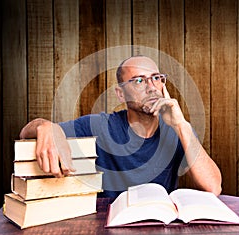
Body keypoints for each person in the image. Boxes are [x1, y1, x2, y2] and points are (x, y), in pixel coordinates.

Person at [20, 55, 222, 198]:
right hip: (106, 224)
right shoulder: (100, 125)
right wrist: (45, 126)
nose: (151, 87)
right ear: (121, 94)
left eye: (156, 78)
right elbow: (25, 132)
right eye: (139, 81)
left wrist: (181, 124)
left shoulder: (178, 130)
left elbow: (213, 187)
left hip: (160, 225)